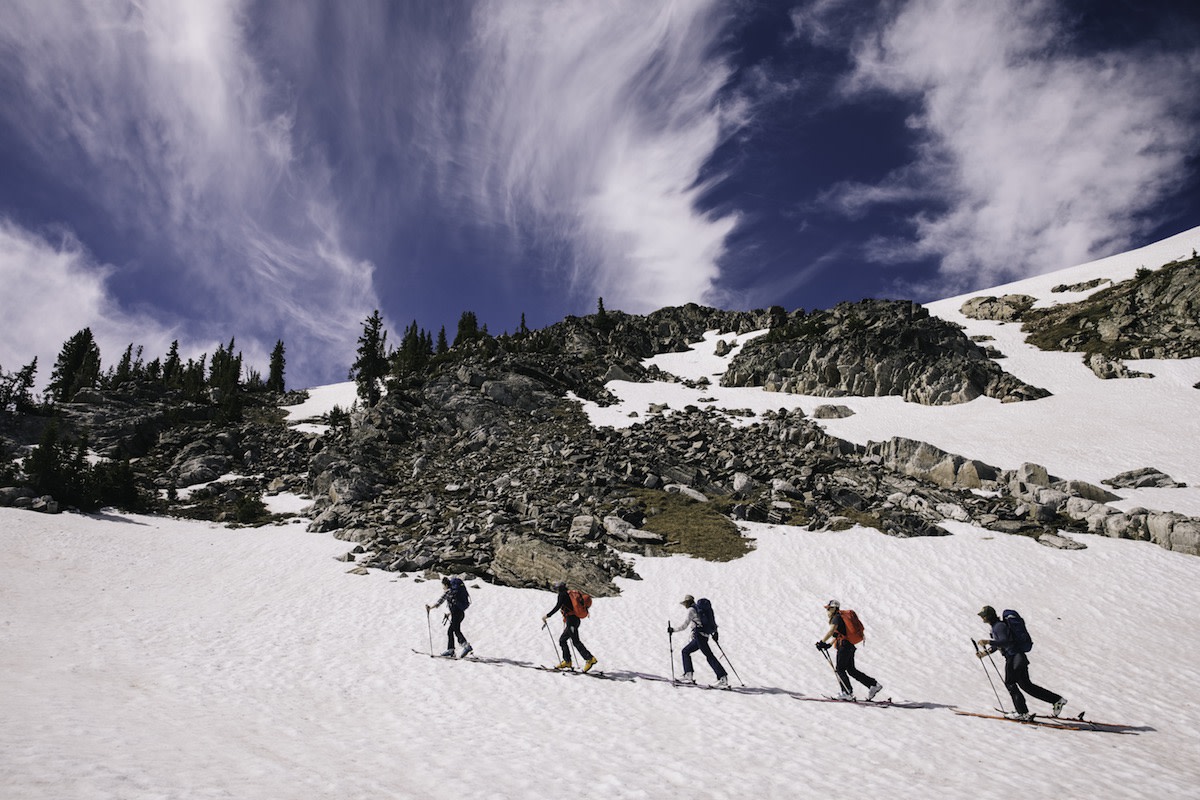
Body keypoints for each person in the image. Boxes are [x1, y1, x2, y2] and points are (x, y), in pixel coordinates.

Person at [976, 605, 1066, 721]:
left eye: (983, 616)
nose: (982, 618)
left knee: (1010, 683)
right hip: (1018, 657)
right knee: (1026, 686)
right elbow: (1000, 644)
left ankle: (1022, 712)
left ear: (988, 616)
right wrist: (985, 653)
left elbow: (1006, 642)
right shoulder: (998, 626)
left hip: (1013, 658)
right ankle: (1056, 700)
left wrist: (988, 641)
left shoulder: (999, 627)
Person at [816, 599, 882, 701]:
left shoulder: (836, 618)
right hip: (849, 646)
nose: (827, 611)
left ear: (834, 608)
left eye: (828, 608)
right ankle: (873, 684)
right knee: (851, 670)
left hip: (844, 647)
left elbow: (831, 631)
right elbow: (838, 635)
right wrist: (828, 644)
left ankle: (846, 692)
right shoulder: (841, 618)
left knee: (840, 669)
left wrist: (821, 641)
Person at [669, 595, 728, 688]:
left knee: (709, 656)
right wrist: (715, 633)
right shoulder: (700, 609)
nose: (684, 606)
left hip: (699, 636)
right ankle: (688, 675)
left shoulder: (691, 610)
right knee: (686, 651)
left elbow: (684, 625)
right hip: (703, 636)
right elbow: (712, 622)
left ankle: (722, 678)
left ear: (687, 603)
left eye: (685, 604)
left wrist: (673, 630)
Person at [542, 581, 597, 672]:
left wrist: (547, 616)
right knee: (562, 640)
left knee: (575, 641)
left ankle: (589, 659)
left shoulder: (562, 595)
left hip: (571, 621)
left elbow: (557, 607)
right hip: (574, 620)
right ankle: (567, 661)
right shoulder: (568, 594)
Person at [426, 577, 472, 658]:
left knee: (456, 630)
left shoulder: (449, 592)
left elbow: (439, 602)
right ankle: (451, 649)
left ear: (446, 585)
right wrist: (449, 613)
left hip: (456, 615)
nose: (443, 587)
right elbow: (456, 605)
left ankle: (466, 646)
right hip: (459, 614)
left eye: (443, 585)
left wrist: (430, 608)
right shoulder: (454, 592)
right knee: (450, 631)